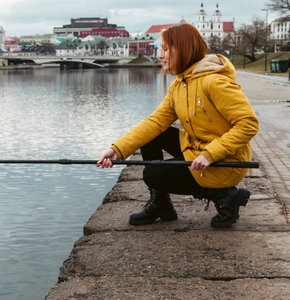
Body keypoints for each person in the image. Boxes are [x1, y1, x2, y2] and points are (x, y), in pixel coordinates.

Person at [96, 22, 259, 228]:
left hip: (226, 162)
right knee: (153, 135)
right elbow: (155, 122)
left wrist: (210, 154)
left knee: (152, 174)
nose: (160, 56)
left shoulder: (214, 82)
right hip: (197, 149)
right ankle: (161, 205)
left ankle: (224, 195)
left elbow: (248, 124)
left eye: (165, 49)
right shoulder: (179, 85)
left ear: (182, 49)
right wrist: (118, 149)